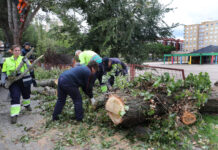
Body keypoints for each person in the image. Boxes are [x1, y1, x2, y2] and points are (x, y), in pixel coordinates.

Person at [0, 45, 33, 124]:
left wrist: (27, 62)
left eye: (19, 50)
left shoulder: (24, 58)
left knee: (26, 94)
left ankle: (27, 105)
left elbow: (31, 68)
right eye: (16, 50)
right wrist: (3, 80)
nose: (17, 52)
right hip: (13, 82)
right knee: (15, 96)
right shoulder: (7, 60)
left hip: (24, 79)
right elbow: (4, 72)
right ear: (12, 51)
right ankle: (14, 114)